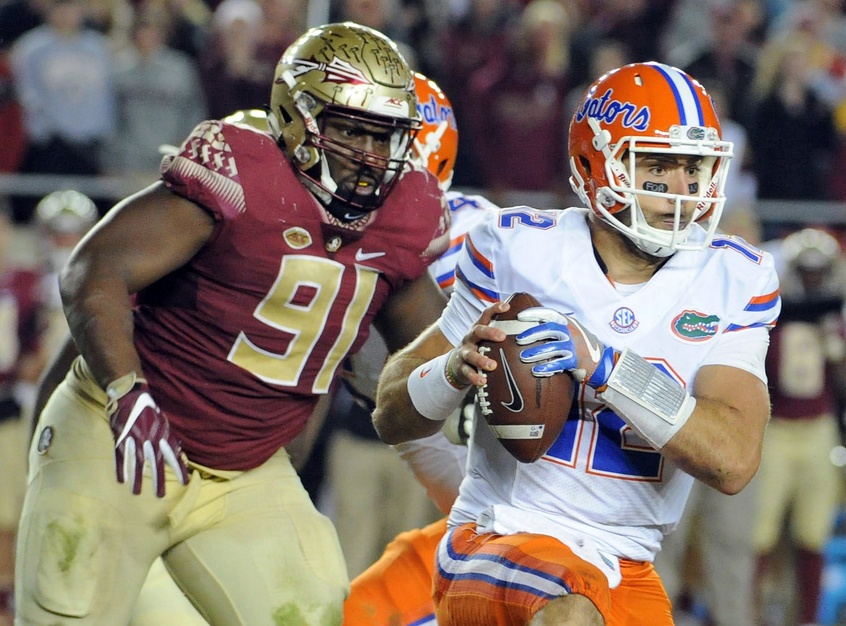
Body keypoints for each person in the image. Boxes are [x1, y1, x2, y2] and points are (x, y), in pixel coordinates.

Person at [14, 21, 450, 626]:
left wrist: (483, 363)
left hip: (246, 469)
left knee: (311, 612)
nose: (371, 157)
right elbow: (95, 269)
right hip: (127, 438)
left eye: (387, 136)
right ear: (298, 121)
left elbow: (433, 344)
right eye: (353, 130)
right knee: (70, 614)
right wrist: (124, 391)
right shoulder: (242, 175)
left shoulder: (405, 217)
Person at [372, 61, 781, 626]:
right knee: (572, 614)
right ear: (597, 164)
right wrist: (451, 369)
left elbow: (733, 462)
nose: (684, 190)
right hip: (498, 537)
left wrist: (607, 367)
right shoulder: (517, 248)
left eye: (697, 168)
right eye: (658, 165)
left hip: (628, 564)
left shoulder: (735, 279)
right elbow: (390, 413)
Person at [753, 227, 846, 626]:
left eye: (817, 271)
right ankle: (750, 613)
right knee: (759, 533)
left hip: (819, 428)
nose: (811, 279)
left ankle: (808, 619)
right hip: (776, 429)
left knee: (814, 532)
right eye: (805, 271)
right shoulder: (771, 317)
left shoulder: (833, 320)